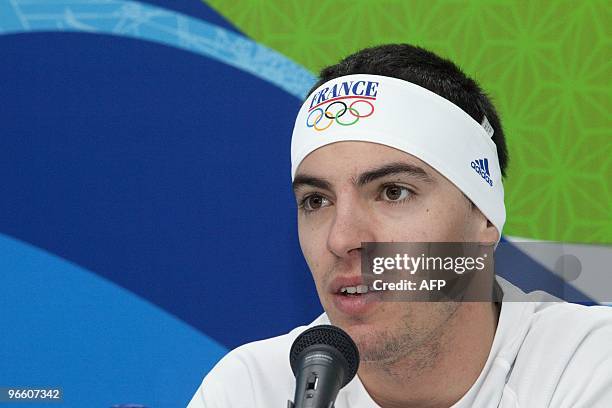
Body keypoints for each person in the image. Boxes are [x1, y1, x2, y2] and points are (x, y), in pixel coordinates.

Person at [187, 44, 612, 407]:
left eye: (393, 192)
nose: (342, 239)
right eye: (316, 201)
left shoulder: (587, 365)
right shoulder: (250, 388)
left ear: (483, 217)